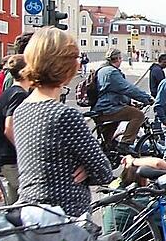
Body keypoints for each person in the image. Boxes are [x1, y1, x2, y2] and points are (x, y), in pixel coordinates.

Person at [15, 27, 113, 217]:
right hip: (64, 221)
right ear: (65, 66)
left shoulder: (23, 109)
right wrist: (88, 167)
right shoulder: (64, 116)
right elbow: (103, 172)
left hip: (30, 215)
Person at [93, 48, 153, 154]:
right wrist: (146, 98)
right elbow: (127, 88)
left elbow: (113, 92)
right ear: (119, 59)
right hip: (108, 108)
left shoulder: (103, 69)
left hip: (104, 107)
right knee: (138, 115)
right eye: (121, 58)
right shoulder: (111, 72)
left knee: (108, 143)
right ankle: (125, 144)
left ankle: (109, 152)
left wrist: (130, 102)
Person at [0, 55, 31, 203]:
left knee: (13, 204)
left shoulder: (9, 92)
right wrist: (25, 150)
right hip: (12, 157)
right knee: (29, 198)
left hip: (6, 155)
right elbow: (9, 127)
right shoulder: (19, 95)